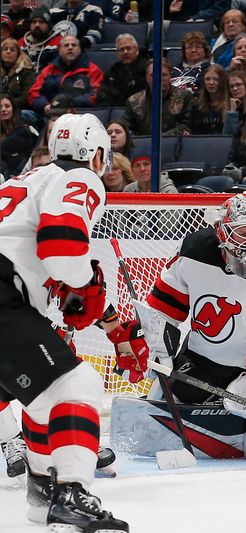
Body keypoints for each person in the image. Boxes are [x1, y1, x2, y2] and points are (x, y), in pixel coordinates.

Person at [0, 113, 136, 530]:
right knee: (80, 385)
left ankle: (41, 494)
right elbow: (61, 249)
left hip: (10, 295)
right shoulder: (80, 178)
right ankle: (72, 493)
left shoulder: (21, 180)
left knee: (42, 400)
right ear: (96, 153)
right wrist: (87, 280)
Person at [144, 194, 246, 462]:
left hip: (245, 371)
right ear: (221, 231)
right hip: (197, 361)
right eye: (240, 231)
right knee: (153, 422)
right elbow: (165, 307)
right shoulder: (195, 250)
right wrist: (158, 351)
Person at [28, 36, 104, 117]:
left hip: (80, 114)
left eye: (74, 45)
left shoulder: (92, 70)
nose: (70, 48)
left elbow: (95, 95)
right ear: (59, 51)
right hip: (49, 113)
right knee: (25, 115)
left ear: (80, 50)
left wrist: (68, 104)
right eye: (66, 45)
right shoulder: (48, 70)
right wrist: (45, 106)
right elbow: (34, 93)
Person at [122, 59, 193, 136]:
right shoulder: (133, 101)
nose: (159, 78)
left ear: (170, 76)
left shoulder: (185, 96)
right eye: (153, 75)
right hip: (144, 145)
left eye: (164, 75)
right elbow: (126, 128)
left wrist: (160, 138)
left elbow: (187, 126)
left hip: (175, 144)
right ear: (146, 77)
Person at [98, 33, 148, 108]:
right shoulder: (113, 71)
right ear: (118, 54)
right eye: (121, 49)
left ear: (137, 50)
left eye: (128, 48)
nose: (125, 52)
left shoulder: (147, 68)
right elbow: (103, 94)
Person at [0, 95, 37, 176]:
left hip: (19, 175)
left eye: (7, 106)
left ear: (13, 109)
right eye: (0, 107)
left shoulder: (22, 132)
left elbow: (4, 147)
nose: (3, 109)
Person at [189, 64, 231, 134]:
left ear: (223, 81)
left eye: (215, 79)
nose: (211, 83)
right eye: (207, 79)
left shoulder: (231, 104)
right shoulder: (197, 106)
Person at [19, 7, 62, 73]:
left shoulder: (59, 42)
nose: (37, 25)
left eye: (41, 22)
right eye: (34, 22)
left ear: (49, 25)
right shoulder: (21, 43)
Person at [0, 38, 36, 114]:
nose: (8, 52)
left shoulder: (26, 72)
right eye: (5, 49)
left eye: (12, 50)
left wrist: (9, 105)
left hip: (21, 109)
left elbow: (27, 96)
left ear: (18, 54)